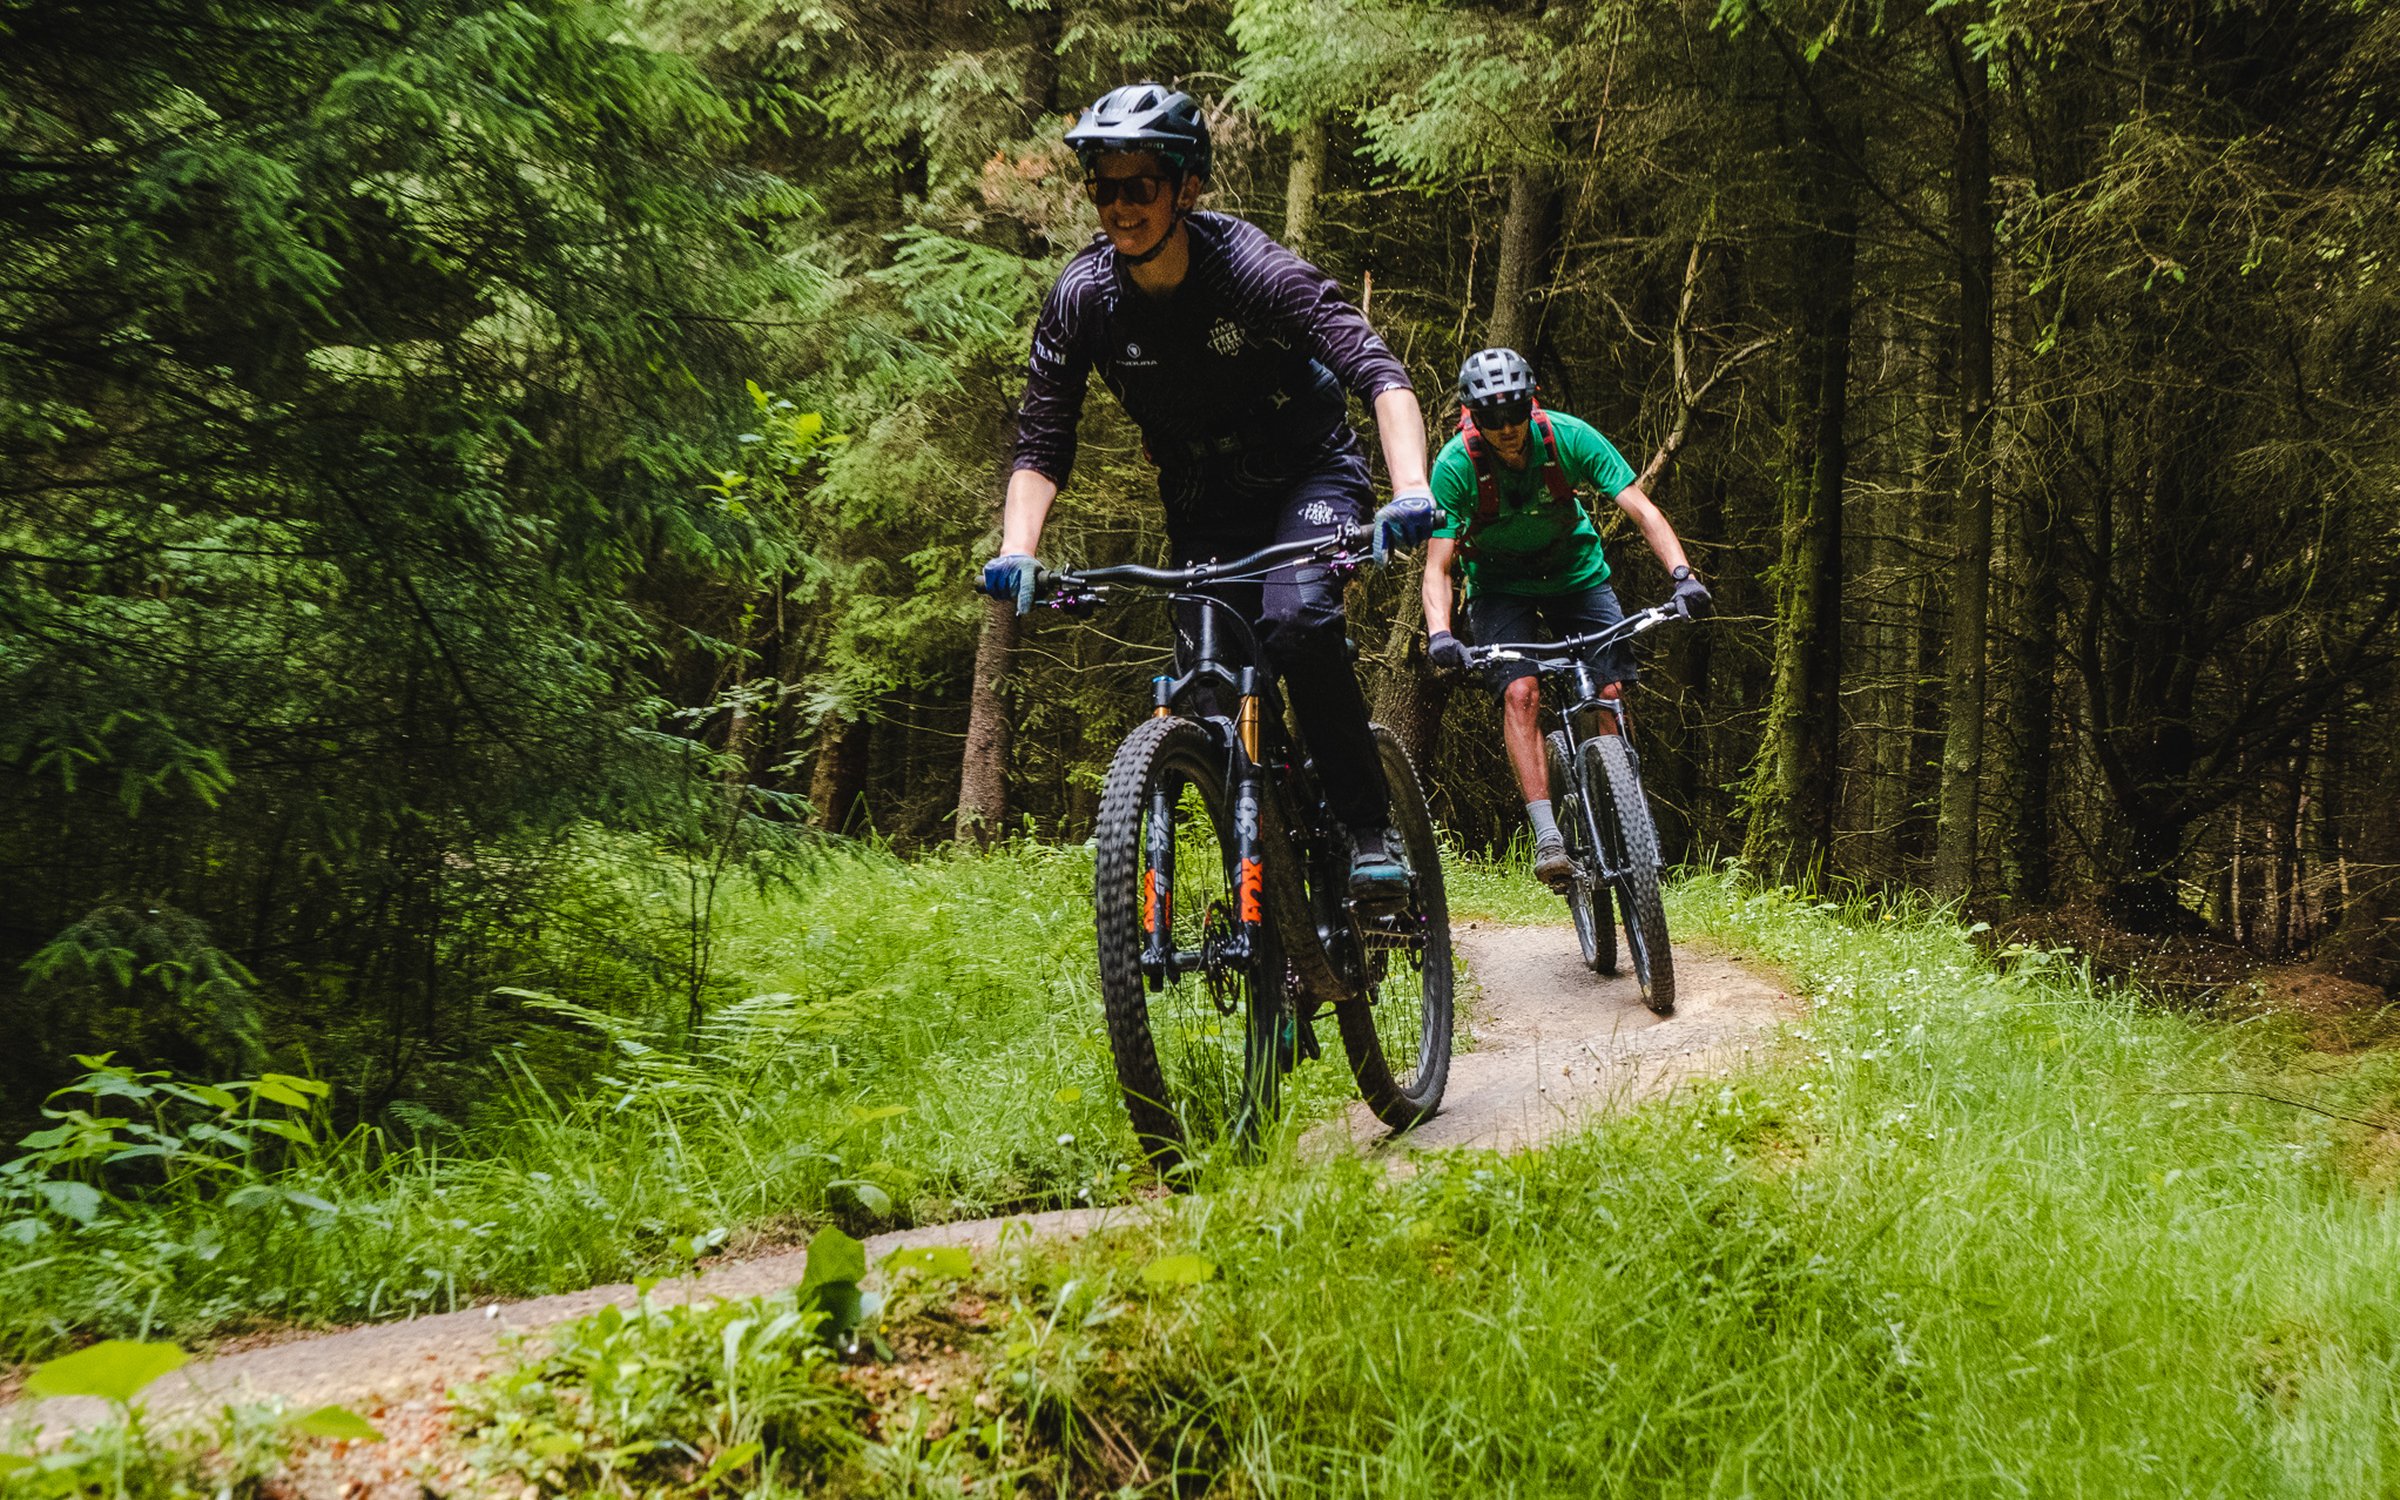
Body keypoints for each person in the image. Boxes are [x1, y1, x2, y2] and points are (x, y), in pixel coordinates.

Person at [980, 82, 1440, 896]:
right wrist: (1020, 549)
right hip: (1203, 500)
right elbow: (1043, 442)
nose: (1119, 208)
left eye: (1140, 188)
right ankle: (1272, 913)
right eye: (1105, 187)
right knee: (1209, 693)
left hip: (1308, 474)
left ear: (1186, 188)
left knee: (1296, 622)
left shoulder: (1254, 272)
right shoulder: (1084, 298)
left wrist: (1409, 490)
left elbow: (1379, 372)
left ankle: (1368, 828)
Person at [1418, 347, 1712, 886]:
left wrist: (1682, 575)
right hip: (1500, 588)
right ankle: (1549, 835)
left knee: (1609, 692)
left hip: (1576, 573)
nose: (1506, 429)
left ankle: (1619, 802)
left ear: (1532, 404)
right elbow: (1437, 566)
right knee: (1520, 693)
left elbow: (1642, 509)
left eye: (1515, 414)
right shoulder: (1456, 466)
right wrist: (1440, 632)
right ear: (1473, 418)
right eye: (1491, 418)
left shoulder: (1570, 437)